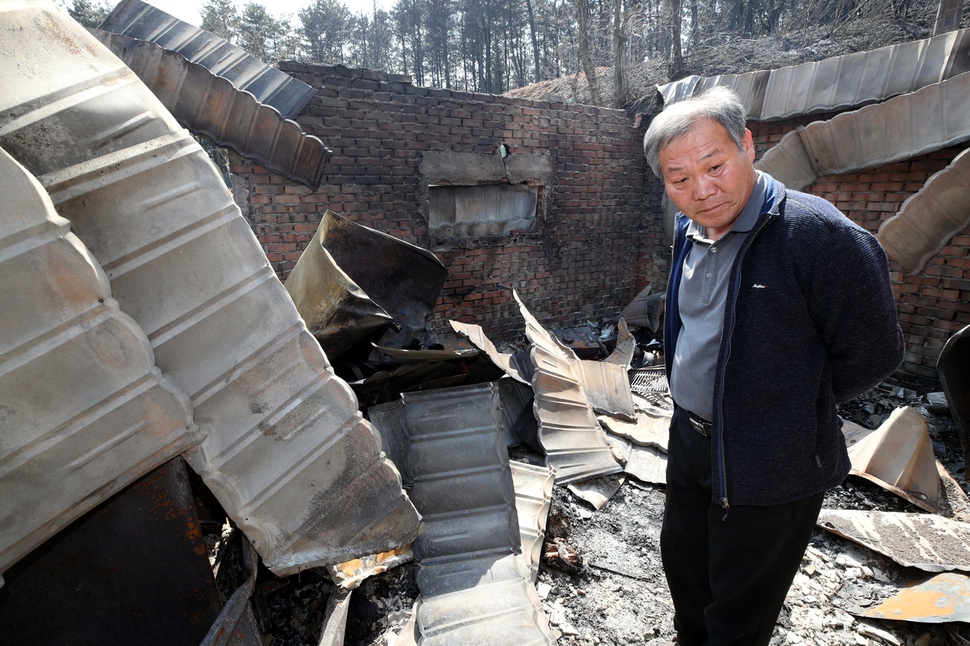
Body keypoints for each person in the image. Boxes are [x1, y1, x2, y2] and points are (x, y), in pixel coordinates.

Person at [642, 87, 904, 645]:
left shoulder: (817, 237)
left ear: (748, 146)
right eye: (679, 178)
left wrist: (788, 406)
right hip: (690, 441)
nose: (701, 189)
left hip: (773, 457)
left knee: (739, 610)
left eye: (714, 165)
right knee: (686, 574)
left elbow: (876, 352)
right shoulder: (688, 230)